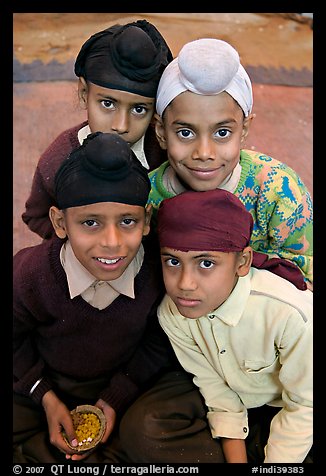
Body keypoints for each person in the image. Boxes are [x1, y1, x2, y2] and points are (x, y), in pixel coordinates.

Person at [13, 132, 175, 463]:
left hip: (121, 384)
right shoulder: (30, 276)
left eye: (127, 221)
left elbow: (158, 343)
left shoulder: (160, 277)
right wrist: (44, 396)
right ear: (60, 222)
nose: (112, 243)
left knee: (148, 435)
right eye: (90, 223)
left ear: (146, 221)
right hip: (43, 379)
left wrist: (116, 397)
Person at [120, 189, 313, 463]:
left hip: (296, 406)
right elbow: (215, 389)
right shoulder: (173, 313)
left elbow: (304, 405)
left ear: (242, 262)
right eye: (173, 262)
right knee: (143, 428)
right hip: (239, 399)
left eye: (206, 263)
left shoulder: (290, 315)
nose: (185, 284)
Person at [147, 38, 313, 287]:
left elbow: (305, 275)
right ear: (161, 131)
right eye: (185, 133)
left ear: (244, 130)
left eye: (222, 133)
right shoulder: (146, 197)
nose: (204, 152)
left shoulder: (278, 190)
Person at [22, 19, 173, 240]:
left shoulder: (163, 152)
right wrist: (79, 247)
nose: (121, 125)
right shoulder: (57, 159)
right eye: (108, 104)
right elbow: (36, 217)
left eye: (139, 109)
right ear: (84, 93)